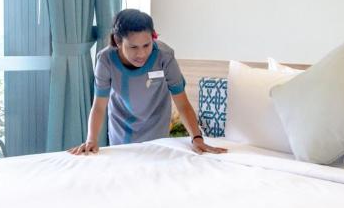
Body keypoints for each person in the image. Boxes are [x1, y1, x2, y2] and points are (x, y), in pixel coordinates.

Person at [68, 9, 227, 156]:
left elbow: (182, 104)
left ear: (153, 37)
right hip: (121, 134)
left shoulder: (164, 56)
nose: (142, 53)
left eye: (146, 45)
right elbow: (99, 106)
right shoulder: (106, 60)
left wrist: (197, 138)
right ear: (117, 41)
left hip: (158, 135)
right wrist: (91, 139)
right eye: (133, 47)